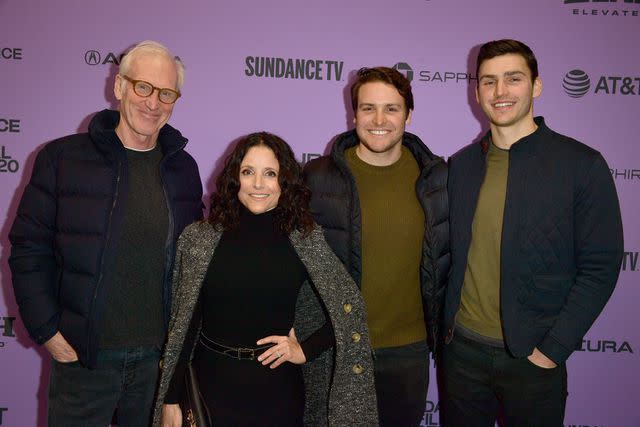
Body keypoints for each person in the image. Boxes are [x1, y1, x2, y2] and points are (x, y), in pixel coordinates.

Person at [8, 40, 203, 426]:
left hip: (154, 367)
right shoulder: (61, 159)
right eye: (142, 87)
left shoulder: (184, 170)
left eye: (166, 93)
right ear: (118, 87)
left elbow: (192, 264)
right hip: (83, 361)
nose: (153, 103)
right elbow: (28, 250)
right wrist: (49, 332)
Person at [442, 39, 624, 426]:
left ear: (536, 86)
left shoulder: (581, 165)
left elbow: (601, 267)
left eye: (513, 78)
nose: (500, 92)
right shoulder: (461, 166)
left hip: (533, 359)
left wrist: (552, 349)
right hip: (462, 356)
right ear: (476, 93)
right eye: (489, 81)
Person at [154, 132, 378, 426]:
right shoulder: (200, 239)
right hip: (210, 392)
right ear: (235, 178)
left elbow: (350, 311)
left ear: (284, 182)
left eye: (270, 173)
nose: (258, 184)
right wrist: (171, 398)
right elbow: (184, 326)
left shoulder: (306, 240)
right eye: (248, 172)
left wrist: (305, 350)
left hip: (279, 395)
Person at [303, 67, 449, 426]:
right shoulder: (316, 177)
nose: (379, 119)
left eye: (392, 108)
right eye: (368, 108)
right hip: (337, 348)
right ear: (354, 114)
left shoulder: (438, 179)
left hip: (408, 353)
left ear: (409, 114)